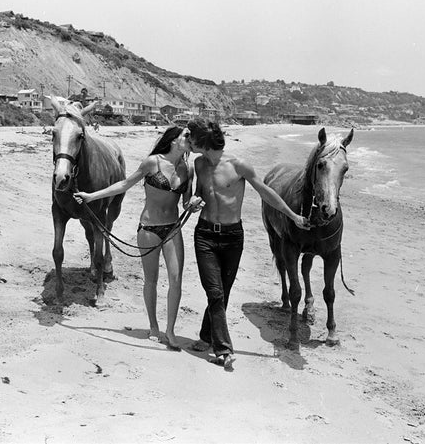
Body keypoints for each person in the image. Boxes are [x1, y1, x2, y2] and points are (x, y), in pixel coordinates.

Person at [186, 118, 310, 369]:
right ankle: (223, 349)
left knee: (223, 292)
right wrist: (194, 201)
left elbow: (266, 193)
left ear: (203, 141)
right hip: (205, 234)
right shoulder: (199, 164)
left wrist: (293, 216)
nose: (188, 141)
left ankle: (205, 335)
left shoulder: (238, 165)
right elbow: (200, 192)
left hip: (232, 237)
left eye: (191, 138)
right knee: (215, 291)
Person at [73, 126, 202, 351]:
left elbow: (186, 202)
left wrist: (194, 205)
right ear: (173, 140)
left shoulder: (187, 168)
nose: (190, 140)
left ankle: (170, 330)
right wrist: (91, 195)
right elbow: (124, 184)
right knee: (151, 280)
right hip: (149, 229)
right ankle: (153, 326)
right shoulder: (152, 162)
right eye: (186, 136)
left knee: (176, 279)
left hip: (173, 228)